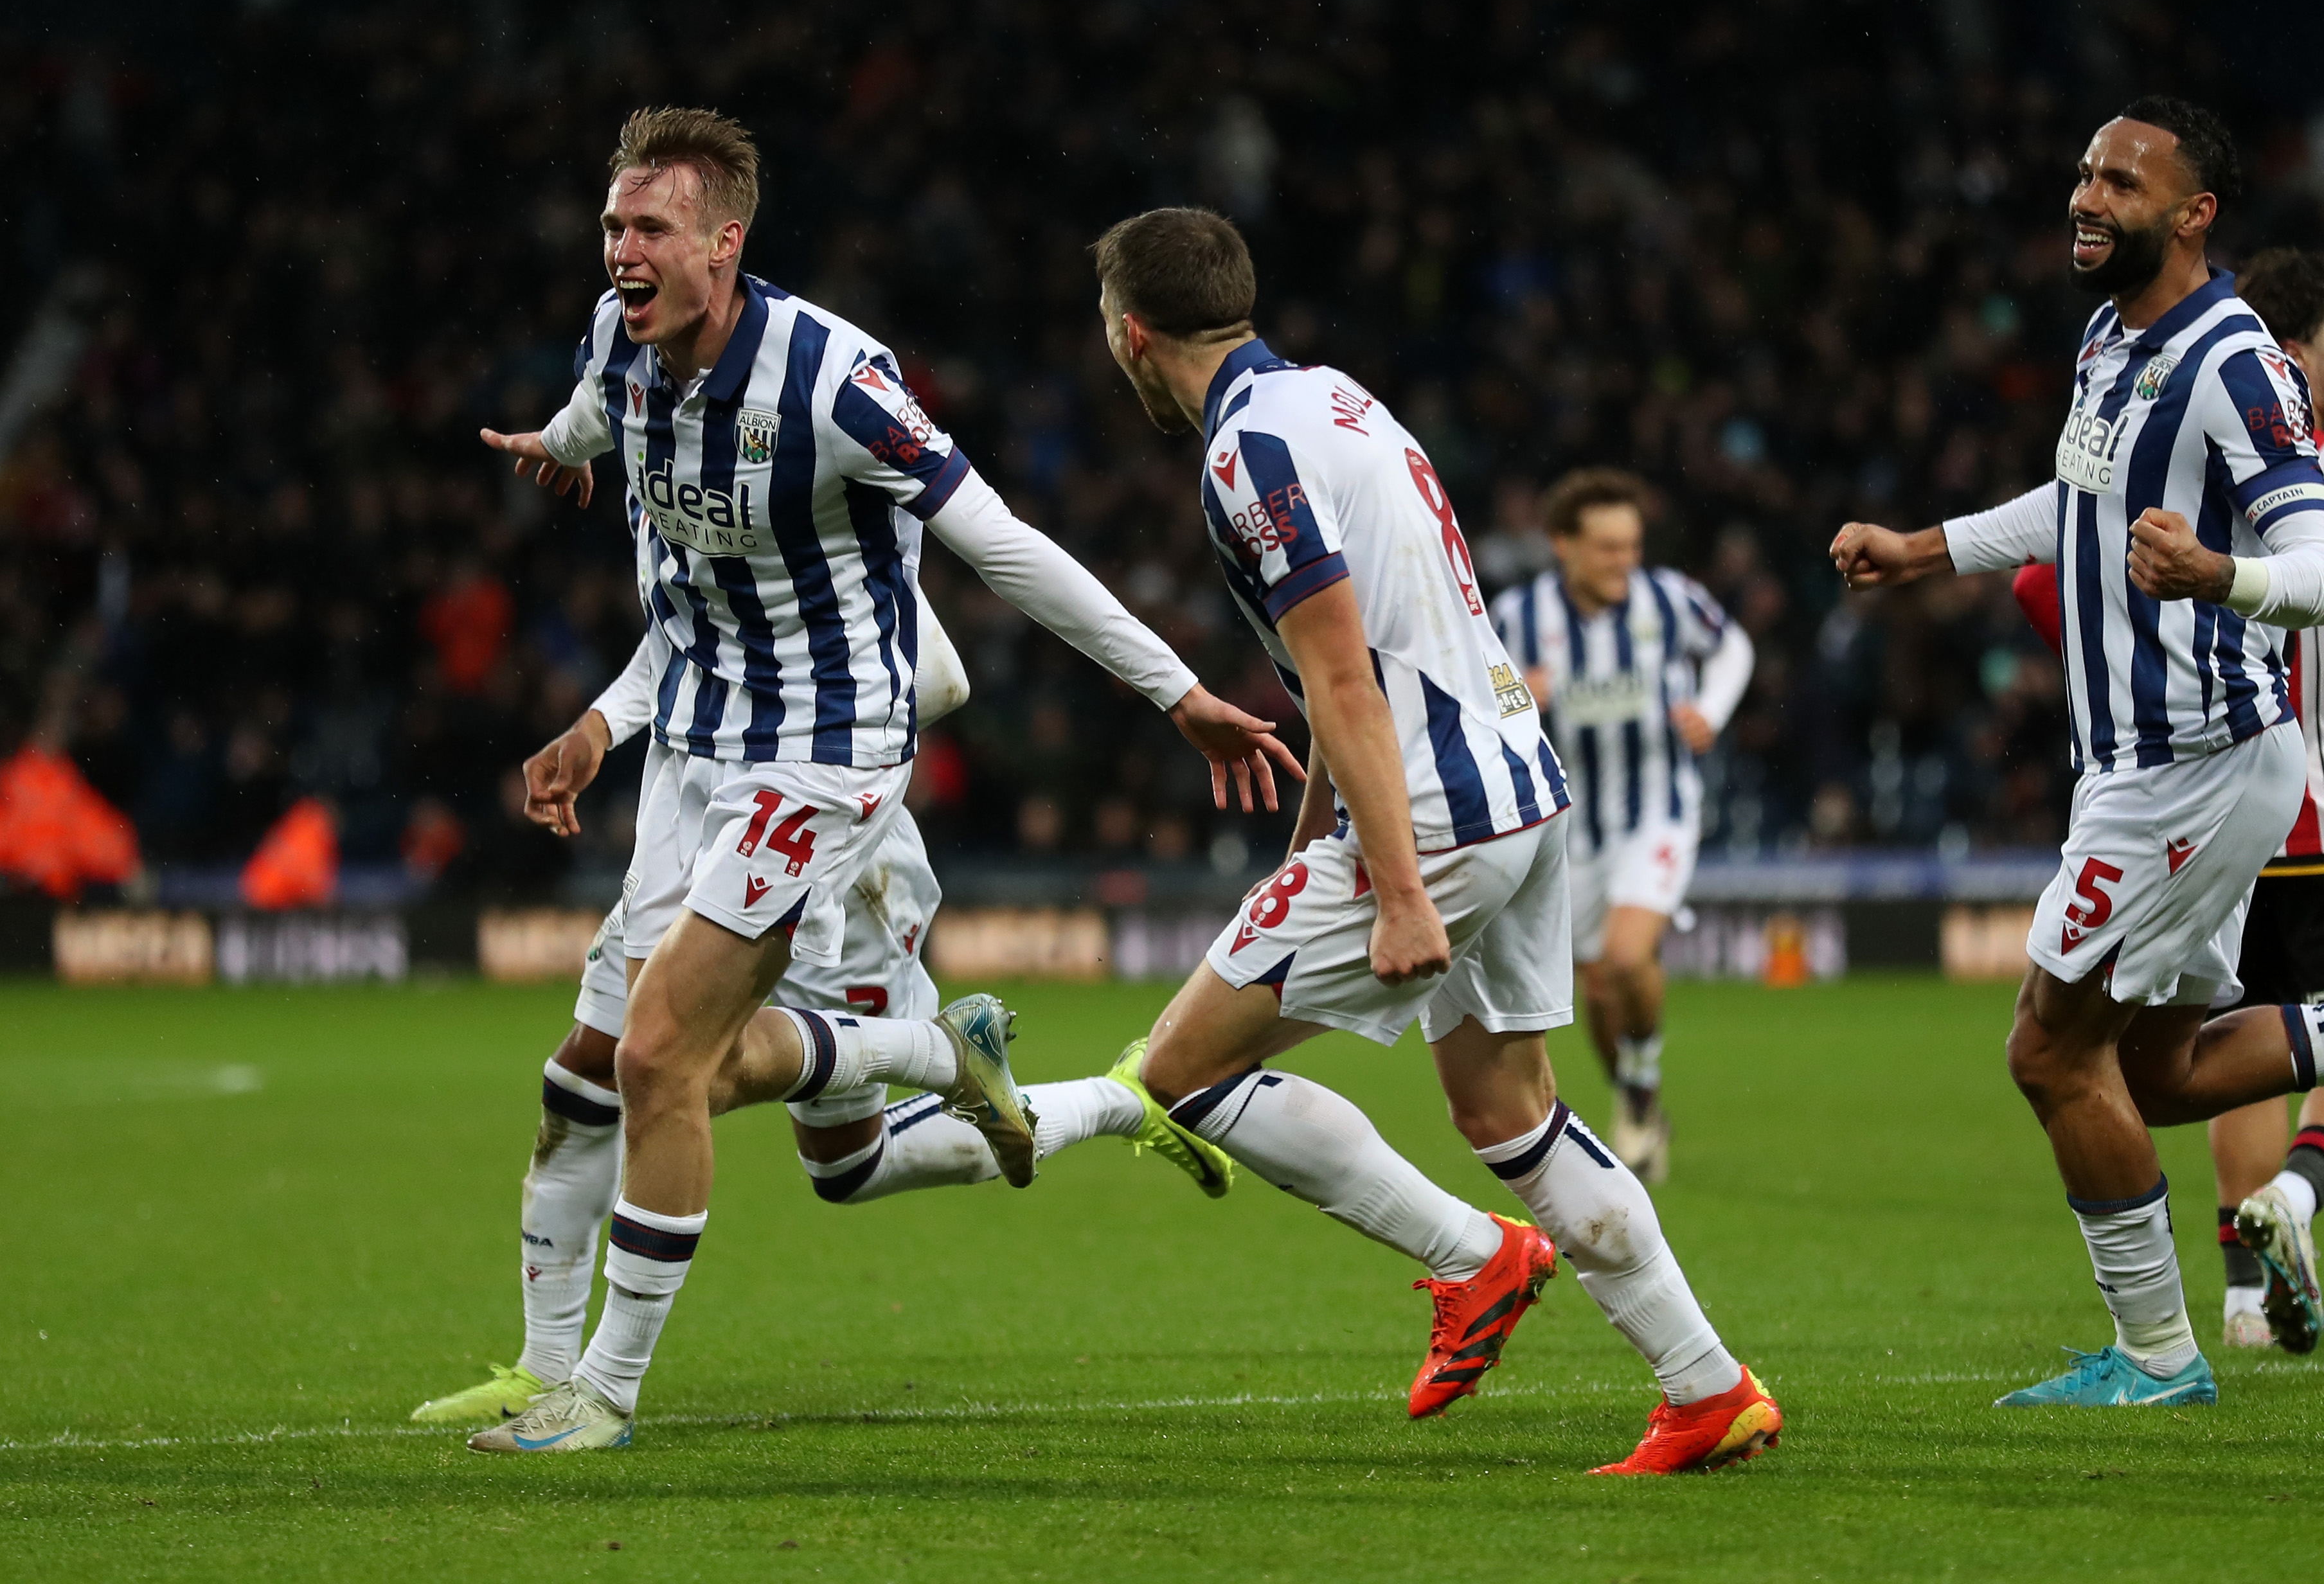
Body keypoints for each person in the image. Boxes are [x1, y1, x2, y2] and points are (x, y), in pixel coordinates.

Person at [461, 107, 1296, 1452]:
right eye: (612, 225)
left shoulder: (835, 381)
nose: (621, 249)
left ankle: (601, 1398)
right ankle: (549, 1362)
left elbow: (1004, 547)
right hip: (693, 739)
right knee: (593, 1068)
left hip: (825, 749)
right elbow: (596, 415)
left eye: (651, 228)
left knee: (667, 1056)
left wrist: (1179, 692)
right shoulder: (618, 338)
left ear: (725, 246)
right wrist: (561, 451)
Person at [1095, 206, 1780, 1475]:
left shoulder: (1247, 452)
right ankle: (1706, 1384)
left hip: (1439, 818)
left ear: (1133, 333)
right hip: (1522, 782)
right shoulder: (1337, 400)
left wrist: (1398, 886)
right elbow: (1380, 646)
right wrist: (1321, 823)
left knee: (1180, 1070)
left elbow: (1348, 676)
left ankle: (1477, 1261)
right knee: (1508, 1103)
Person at [409, 598, 1230, 1428]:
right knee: (591, 1067)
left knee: (844, 1162)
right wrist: (600, 724)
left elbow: (940, 677)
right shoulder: (676, 490)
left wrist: (800, 729)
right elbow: (685, 633)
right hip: (693, 819)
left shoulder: (840, 501)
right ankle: (545, 1368)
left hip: (825, 850)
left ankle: (1102, 1095)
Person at [1830, 96, 2324, 1407]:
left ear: (2195, 210)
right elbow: (2076, 498)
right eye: (2086, 175)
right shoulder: (2113, 338)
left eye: (2119, 181)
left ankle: (2161, 1358)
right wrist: (1923, 547)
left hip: (2194, 756)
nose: (2086, 198)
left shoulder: (2235, 358)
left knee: (2049, 1051)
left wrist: (2222, 573)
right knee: (2152, 1066)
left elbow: (2321, 557)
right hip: (2143, 761)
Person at [1492, 470, 1753, 1182]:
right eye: (1606, 547)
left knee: (1631, 959)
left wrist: (1713, 710)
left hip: (1658, 810)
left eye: (1631, 546)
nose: (1622, 561)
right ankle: (1639, 1099)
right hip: (1567, 827)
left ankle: (1639, 1091)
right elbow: (1469, 692)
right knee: (1599, 987)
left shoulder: (1669, 599)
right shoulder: (1516, 616)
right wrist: (1517, 692)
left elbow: (1734, 647)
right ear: (1563, 545)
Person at [2202, 248, 2324, 1353]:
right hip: (2319, 805)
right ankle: (2299, 1195)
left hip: (2220, 804)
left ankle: (2243, 1303)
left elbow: (2049, 583)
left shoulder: (2188, 454)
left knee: (2248, 1036)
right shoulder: (2302, 469)